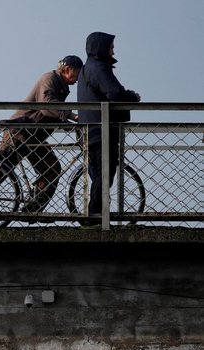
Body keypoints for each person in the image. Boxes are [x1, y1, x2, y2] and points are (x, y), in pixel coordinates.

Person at [0, 55, 83, 217]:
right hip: (19, 133)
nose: (78, 79)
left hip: (34, 137)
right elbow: (47, 106)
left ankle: (31, 210)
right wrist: (72, 116)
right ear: (68, 69)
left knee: (52, 168)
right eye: (77, 73)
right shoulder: (49, 79)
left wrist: (70, 124)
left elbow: (53, 114)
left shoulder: (61, 86)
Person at [77, 32, 141, 222]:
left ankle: (95, 215)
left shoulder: (90, 67)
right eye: (111, 47)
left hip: (92, 131)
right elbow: (114, 92)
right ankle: (93, 216)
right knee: (104, 174)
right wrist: (132, 97)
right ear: (102, 48)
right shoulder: (98, 68)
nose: (113, 50)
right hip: (99, 132)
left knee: (101, 175)